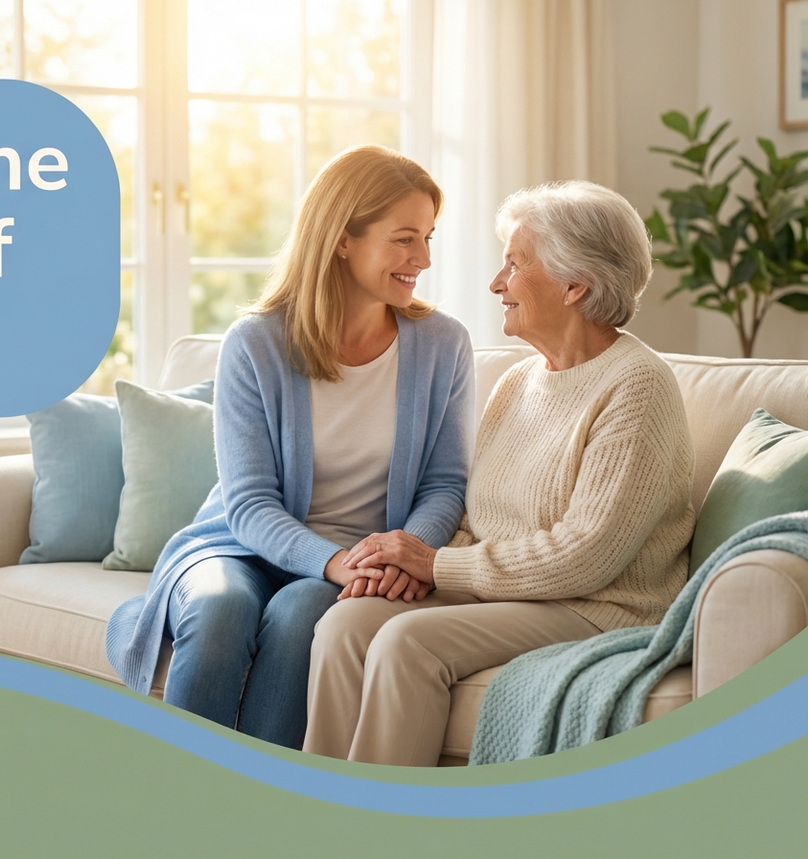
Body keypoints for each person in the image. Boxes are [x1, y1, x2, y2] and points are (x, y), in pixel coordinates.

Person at [303, 180, 697, 766]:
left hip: (597, 605)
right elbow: (476, 517)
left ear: (575, 285)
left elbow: (588, 552)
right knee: (347, 623)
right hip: (506, 593)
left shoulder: (636, 384)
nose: (495, 284)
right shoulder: (519, 382)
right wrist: (415, 573)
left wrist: (436, 564)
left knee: (408, 642)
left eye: (514, 265)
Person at [105, 145, 475, 750]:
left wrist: (404, 553)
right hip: (240, 545)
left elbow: (444, 484)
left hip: (359, 564)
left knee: (302, 616)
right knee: (220, 611)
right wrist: (334, 561)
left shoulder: (442, 345)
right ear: (342, 238)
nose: (424, 259)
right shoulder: (257, 343)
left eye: (429, 238)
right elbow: (249, 504)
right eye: (405, 239)